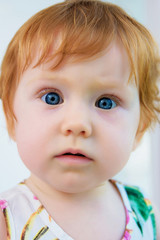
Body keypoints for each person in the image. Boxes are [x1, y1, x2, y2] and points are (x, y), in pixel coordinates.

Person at [0, 0, 160, 239]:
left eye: (106, 102)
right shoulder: (8, 219)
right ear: (12, 118)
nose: (77, 124)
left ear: (139, 128)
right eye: (52, 98)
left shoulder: (142, 210)